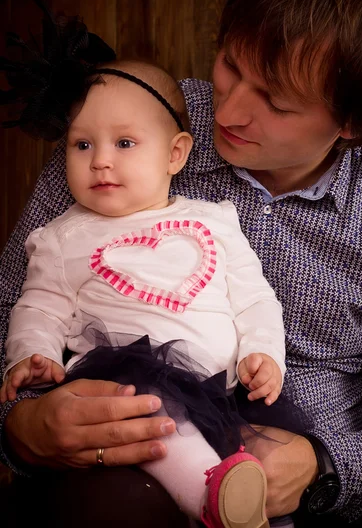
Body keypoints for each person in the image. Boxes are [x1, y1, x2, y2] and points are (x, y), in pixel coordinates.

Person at [0, 0, 362, 527]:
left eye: (277, 101)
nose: (230, 111)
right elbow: (15, 304)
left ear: (353, 122)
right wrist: (21, 426)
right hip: (123, 471)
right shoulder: (126, 121)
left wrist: (327, 468)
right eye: (230, 66)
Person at [0, 45, 294, 528]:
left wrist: (262, 353)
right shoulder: (62, 237)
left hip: (222, 393)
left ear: (175, 153)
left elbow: (255, 298)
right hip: (126, 384)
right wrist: (34, 356)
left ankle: (248, 505)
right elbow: (38, 307)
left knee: (266, 456)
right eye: (82, 145)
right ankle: (211, 497)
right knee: (159, 423)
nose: (100, 162)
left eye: (125, 144)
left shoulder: (213, 221)